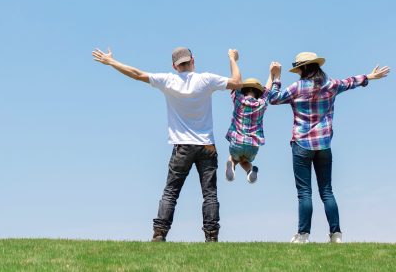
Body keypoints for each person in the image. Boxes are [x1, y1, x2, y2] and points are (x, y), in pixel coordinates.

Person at [92, 46, 243, 243]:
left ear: (174, 66)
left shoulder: (168, 80)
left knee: (171, 192)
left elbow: (137, 74)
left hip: (182, 148)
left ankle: (159, 234)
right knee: (210, 194)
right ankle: (211, 236)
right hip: (207, 146)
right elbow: (238, 83)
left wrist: (111, 62)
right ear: (193, 60)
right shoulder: (206, 79)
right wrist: (232, 59)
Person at [269, 52, 390, 243]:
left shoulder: (296, 87)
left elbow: (273, 99)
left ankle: (303, 235)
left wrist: (276, 78)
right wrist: (369, 77)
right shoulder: (330, 85)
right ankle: (336, 235)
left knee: (304, 192)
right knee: (327, 191)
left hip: (301, 144)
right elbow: (350, 82)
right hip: (324, 145)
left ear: (303, 68)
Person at [224, 63, 281, 184]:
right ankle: (250, 170)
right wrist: (272, 74)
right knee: (244, 161)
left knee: (234, 158)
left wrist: (233, 60)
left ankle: (231, 164)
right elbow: (268, 91)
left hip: (237, 143)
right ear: (259, 93)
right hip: (253, 147)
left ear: (243, 90)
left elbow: (235, 81)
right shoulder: (261, 104)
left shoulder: (239, 100)